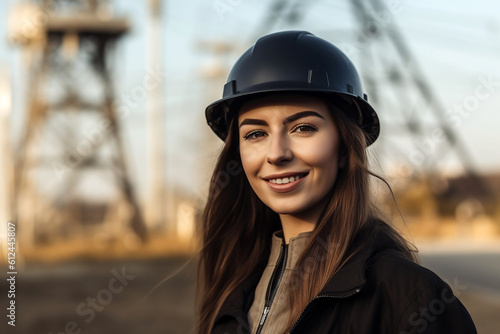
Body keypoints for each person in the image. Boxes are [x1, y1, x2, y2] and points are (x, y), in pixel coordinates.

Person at [197, 31, 477, 334]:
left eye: (303, 128)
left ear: (344, 148)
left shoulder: (413, 300)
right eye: (255, 134)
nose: (276, 154)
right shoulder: (233, 288)